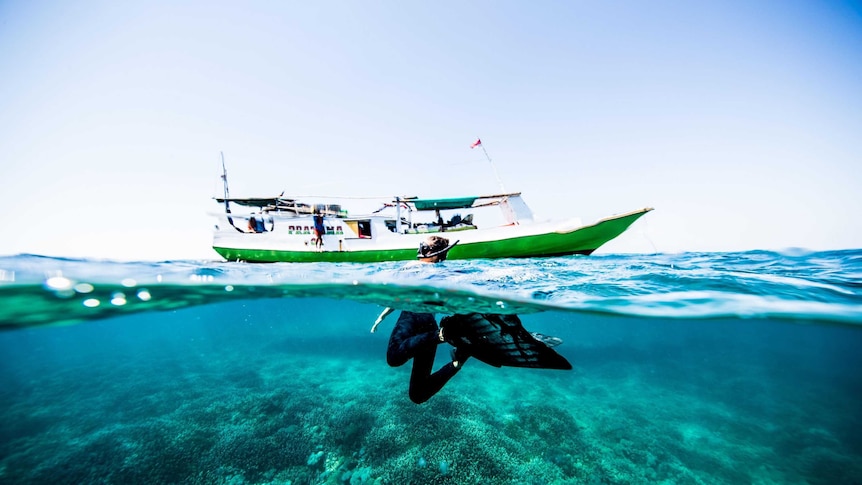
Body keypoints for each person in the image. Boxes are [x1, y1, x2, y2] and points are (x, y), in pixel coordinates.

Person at [378, 235, 469, 404]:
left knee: (393, 358)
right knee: (417, 395)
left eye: (424, 248)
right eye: (420, 246)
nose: (419, 252)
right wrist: (382, 317)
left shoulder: (412, 266)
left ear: (436, 254)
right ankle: (456, 362)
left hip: (413, 318)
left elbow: (396, 294)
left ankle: (444, 335)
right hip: (429, 328)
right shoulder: (445, 272)